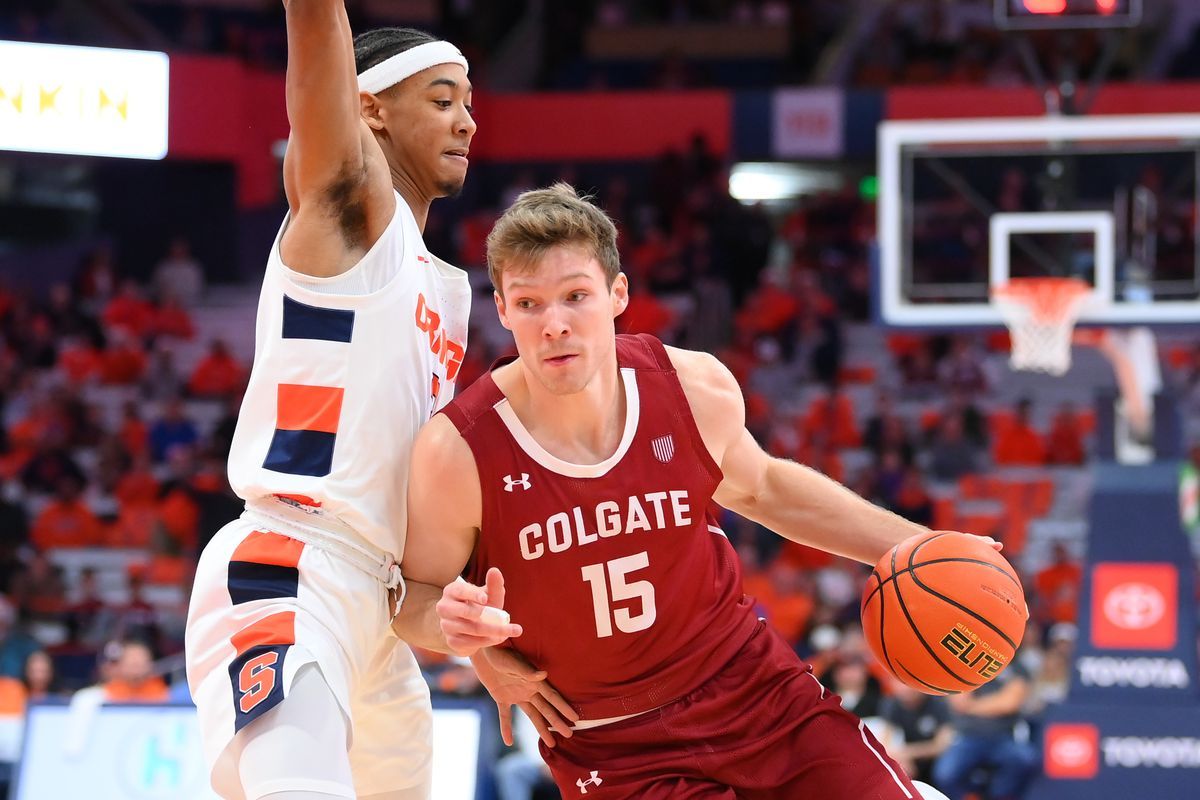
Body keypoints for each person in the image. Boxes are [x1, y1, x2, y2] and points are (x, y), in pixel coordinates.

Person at [396, 184, 991, 798]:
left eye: (576, 296)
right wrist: (466, 642)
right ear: (501, 309)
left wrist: (924, 544)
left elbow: (763, 488)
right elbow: (411, 597)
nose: (555, 325)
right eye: (529, 303)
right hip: (608, 738)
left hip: (751, 689)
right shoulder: (457, 452)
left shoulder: (690, 387)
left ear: (618, 293)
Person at [183, 6, 522, 799]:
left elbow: (408, 562)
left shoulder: (446, 287)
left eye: (469, 103)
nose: (466, 121)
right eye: (441, 100)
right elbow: (316, 69)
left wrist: (484, 640)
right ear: (369, 108)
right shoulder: (355, 214)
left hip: (379, 605)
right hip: (291, 567)